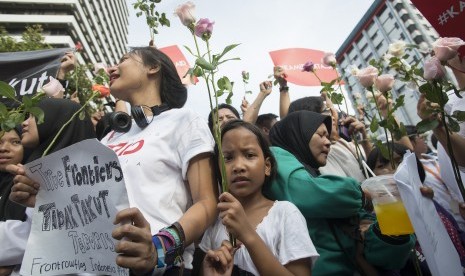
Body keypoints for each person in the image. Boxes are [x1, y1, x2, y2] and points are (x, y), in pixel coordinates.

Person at [10, 47, 218, 275]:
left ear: (153, 67)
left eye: (124, 59)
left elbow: (207, 204)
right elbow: (88, 209)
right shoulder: (109, 138)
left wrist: (158, 248)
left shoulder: (183, 120)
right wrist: (43, 198)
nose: (111, 68)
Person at [263, 111, 415, 275]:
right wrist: (363, 195)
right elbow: (312, 193)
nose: (328, 142)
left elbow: (386, 257)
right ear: (297, 134)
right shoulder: (275, 159)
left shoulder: (318, 177)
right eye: (321, 135)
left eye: (328, 136)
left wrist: (390, 232)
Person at [200, 120, 318, 275]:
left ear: (267, 166)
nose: (238, 166)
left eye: (249, 155)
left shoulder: (284, 213)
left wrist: (248, 235)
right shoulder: (216, 222)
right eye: (227, 158)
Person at [4, 98, 96, 275]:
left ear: (58, 121)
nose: (24, 122)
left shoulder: (88, 177)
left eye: (33, 116)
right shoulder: (31, 171)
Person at [367, 142, 465, 275]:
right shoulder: (380, 221)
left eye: (399, 161)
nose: (392, 168)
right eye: (382, 165)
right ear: (372, 175)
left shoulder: (426, 198)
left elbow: (458, 235)